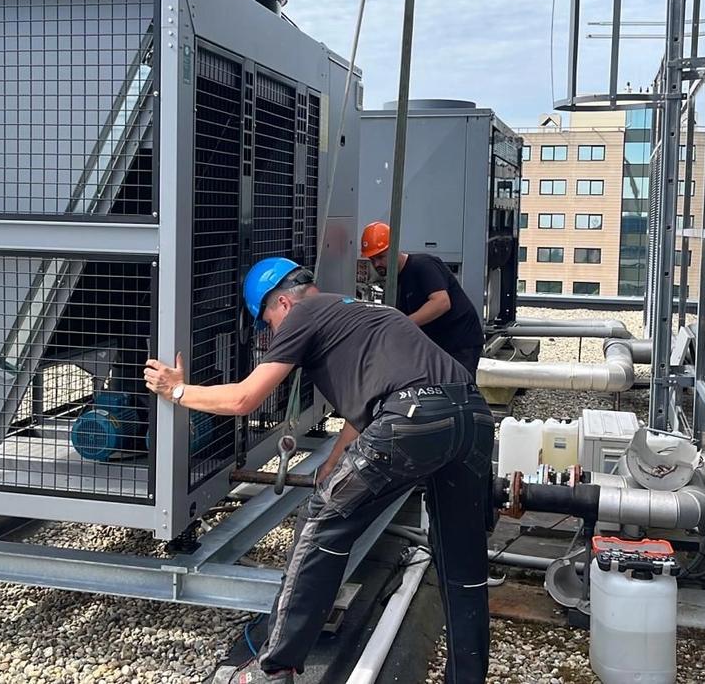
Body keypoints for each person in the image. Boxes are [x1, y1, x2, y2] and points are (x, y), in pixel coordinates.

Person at [144, 257, 494, 683]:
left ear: (283, 304)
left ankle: (273, 670)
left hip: (413, 417)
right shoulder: (366, 310)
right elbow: (370, 404)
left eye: (266, 321)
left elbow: (243, 400)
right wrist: (333, 464)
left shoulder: (301, 315)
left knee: (321, 519)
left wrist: (177, 390)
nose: (271, 333)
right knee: (461, 559)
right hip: (472, 418)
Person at [360, 221, 486, 378]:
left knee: (457, 389)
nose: (377, 264)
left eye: (380, 257)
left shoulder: (423, 265)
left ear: (394, 249)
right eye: (372, 260)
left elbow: (441, 302)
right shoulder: (393, 285)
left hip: (459, 341)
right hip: (437, 345)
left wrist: (402, 324)